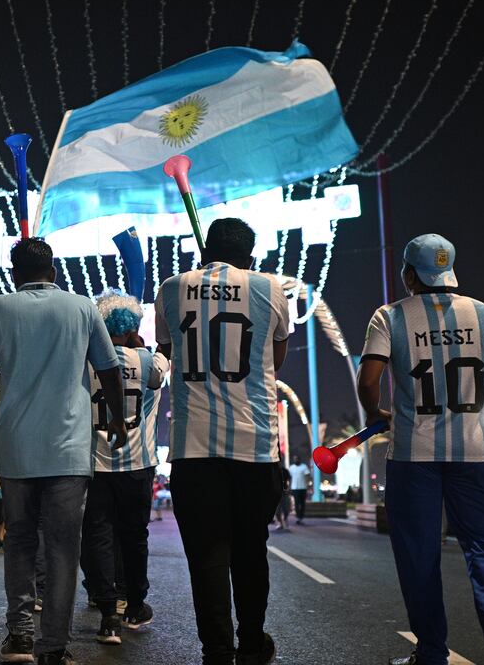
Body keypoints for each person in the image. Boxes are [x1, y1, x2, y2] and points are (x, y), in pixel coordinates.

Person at [356, 233, 484, 665]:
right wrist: (473, 399)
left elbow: (369, 381)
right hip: (476, 454)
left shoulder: (389, 317)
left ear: (410, 274)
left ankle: (431, 652)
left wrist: (380, 412)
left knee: (419, 555)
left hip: (414, 456)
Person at [0, 237, 128, 665]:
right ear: (55, 272)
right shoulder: (82, 307)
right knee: (63, 548)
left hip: (17, 446)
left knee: (20, 542)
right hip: (67, 448)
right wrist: (116, 418)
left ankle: (20, 635)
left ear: (13, 273)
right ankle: (52, 648)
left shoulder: (0, 308)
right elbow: (109, 368)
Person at [154, 217, 291, 665]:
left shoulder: (172, 288)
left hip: (194, 449)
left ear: (204, 251)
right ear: (250, 256)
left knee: (207, 554)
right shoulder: (270, 289)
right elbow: (276, 358)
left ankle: (216, 649)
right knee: (251, 548)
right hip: (255, 444)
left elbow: (170, 349)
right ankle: (252, 642)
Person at [79, 290, 170, 646]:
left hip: (96, 463)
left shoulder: (87, 362)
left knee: (98, 537)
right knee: (135, 536)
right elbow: (163, 363)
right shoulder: (145, 361)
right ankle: (135, 605)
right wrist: (146, 345)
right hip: (138, 463)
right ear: (132, 326)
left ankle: (107, 615)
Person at [287, 457, 312, 524]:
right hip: (294, 488)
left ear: (299, 460)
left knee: (302, 503)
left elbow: (307, 476)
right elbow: (289, 478)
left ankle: (301, 517)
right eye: (294, 459)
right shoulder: (291, 467)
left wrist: (308, 486)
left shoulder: (304, 467)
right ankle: (298, 517)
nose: (296, 460)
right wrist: (289, 487)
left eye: (297, 459)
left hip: (303, 488)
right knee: (296, 502)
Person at [274, 465, 293, 531]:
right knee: (277, 511)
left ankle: (285, 518)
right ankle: (280, 523)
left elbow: (290, 478)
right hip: (275, 493)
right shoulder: (272, 470)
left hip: (284, 492)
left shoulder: (284, 470)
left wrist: (289, 487)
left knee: (286, 509)